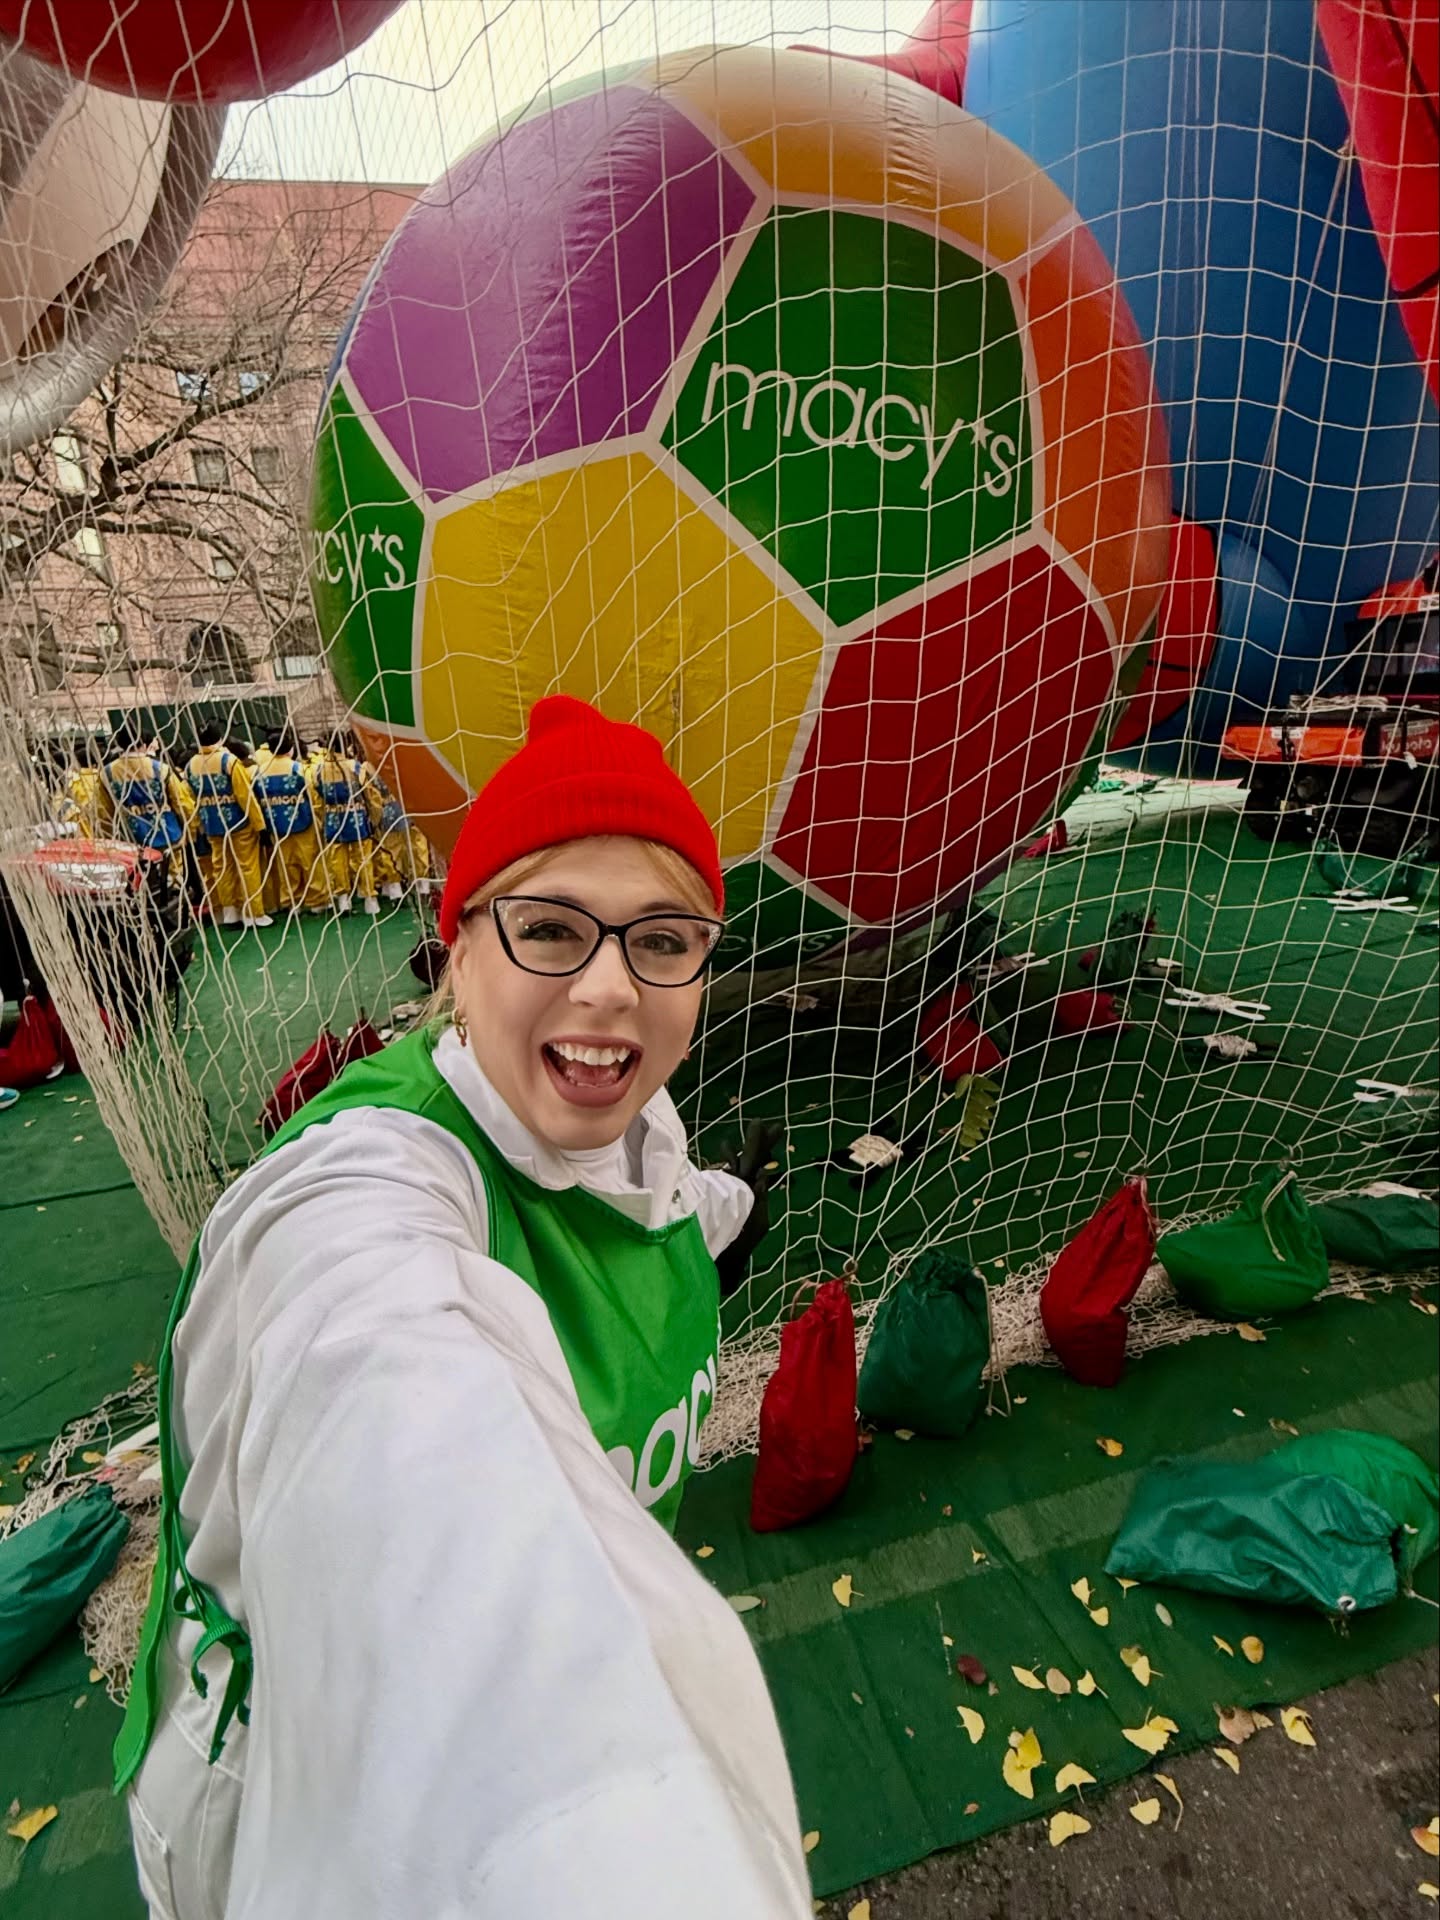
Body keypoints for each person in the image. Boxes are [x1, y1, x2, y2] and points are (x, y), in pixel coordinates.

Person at [116, 695, 811, 1920]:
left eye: (663, 940)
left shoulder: (631, 1119)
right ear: (461, 949)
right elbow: (387, 1386)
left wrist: (726, 1209)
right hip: (282, 1821)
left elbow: (645, 1187)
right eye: (550, 929)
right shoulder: (370, 1184)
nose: (611, 988)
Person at [185, 722, 271, 929]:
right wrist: (260, 825)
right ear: (220, 739)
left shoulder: (191, 766)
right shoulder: (229, 761)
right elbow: (244, 795)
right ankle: (253, 913)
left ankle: (230, 912)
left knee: (222, 868)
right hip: (239, 823)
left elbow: (190, 799)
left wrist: (198, 824)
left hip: (212, 825)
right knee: (247, 867)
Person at [252, 729, 325, 913]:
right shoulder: (298, 769)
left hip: (276, 826)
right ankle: (317, 901)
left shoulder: (260, 772)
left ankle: (292, 901)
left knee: (285, 865)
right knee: (310, 862)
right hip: (303, 821)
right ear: (291, 748)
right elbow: (313, 795)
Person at [101, 732, 193, 868]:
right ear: (144, 745)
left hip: (131, 842)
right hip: (168, 837)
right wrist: (191, 829)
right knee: (172, 876)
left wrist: (110, 840)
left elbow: (103, 813)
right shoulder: (161, 769)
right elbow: (182, 803)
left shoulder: (106, 773)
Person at [313, 731, 379, 914]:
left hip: (333, 819)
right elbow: (369, 794)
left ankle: (343, 900)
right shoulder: (355, 767)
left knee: (337, 860)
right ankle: (370, 899)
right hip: (357, 817)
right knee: (363, 858)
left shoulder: (319, 769)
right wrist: (375, 817)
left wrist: (322, 820)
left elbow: (317, 799)